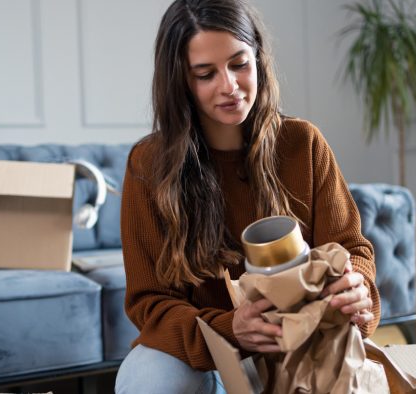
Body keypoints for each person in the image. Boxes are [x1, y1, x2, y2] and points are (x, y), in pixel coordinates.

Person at [115, 0, 380, 392]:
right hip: (203, 354)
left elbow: (350, 246)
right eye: (205, 74)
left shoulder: (302, 143)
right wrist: (230, 330)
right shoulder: (149, 165)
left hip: (301, 348)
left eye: (239, 64)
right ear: (180, 82)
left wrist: (356, 287)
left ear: (258, 57)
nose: (230, 86)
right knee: (148, 380)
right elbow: (149, 302)